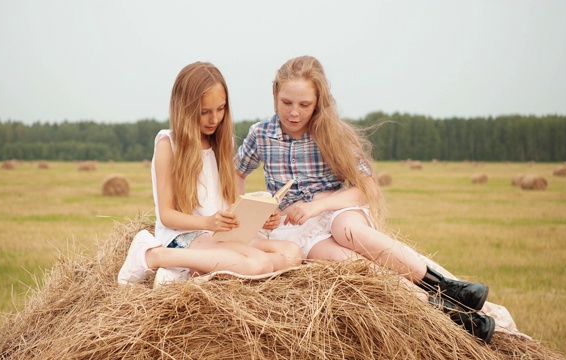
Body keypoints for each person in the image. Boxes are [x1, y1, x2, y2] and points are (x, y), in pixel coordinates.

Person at [234, 55, 495, 343]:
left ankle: (448, 287)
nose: (294, 112)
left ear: (319, 102)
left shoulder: (332, 133)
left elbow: (366, 187)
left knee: (348, 232)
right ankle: (452, 316)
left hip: (335, 208)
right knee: (354, 266)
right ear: (275, 95)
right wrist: (255, 213)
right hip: (297, 228)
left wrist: (317, 205)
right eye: (286, 103)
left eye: (304, 105)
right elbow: (237, 172)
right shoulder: (260, 134)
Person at [118, 61, 302, 287]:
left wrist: (260, 218)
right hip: (184, 237)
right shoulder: (169, 144)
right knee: (258, 265)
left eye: (220, 109)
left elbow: (230, 205)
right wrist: (208, 221)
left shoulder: (222, 145)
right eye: (204, 112)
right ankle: (155, 256)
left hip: (218, 236)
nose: (214, 119)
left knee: (292, 253)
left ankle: (192, 272)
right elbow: (166, 215)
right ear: (185, 108)